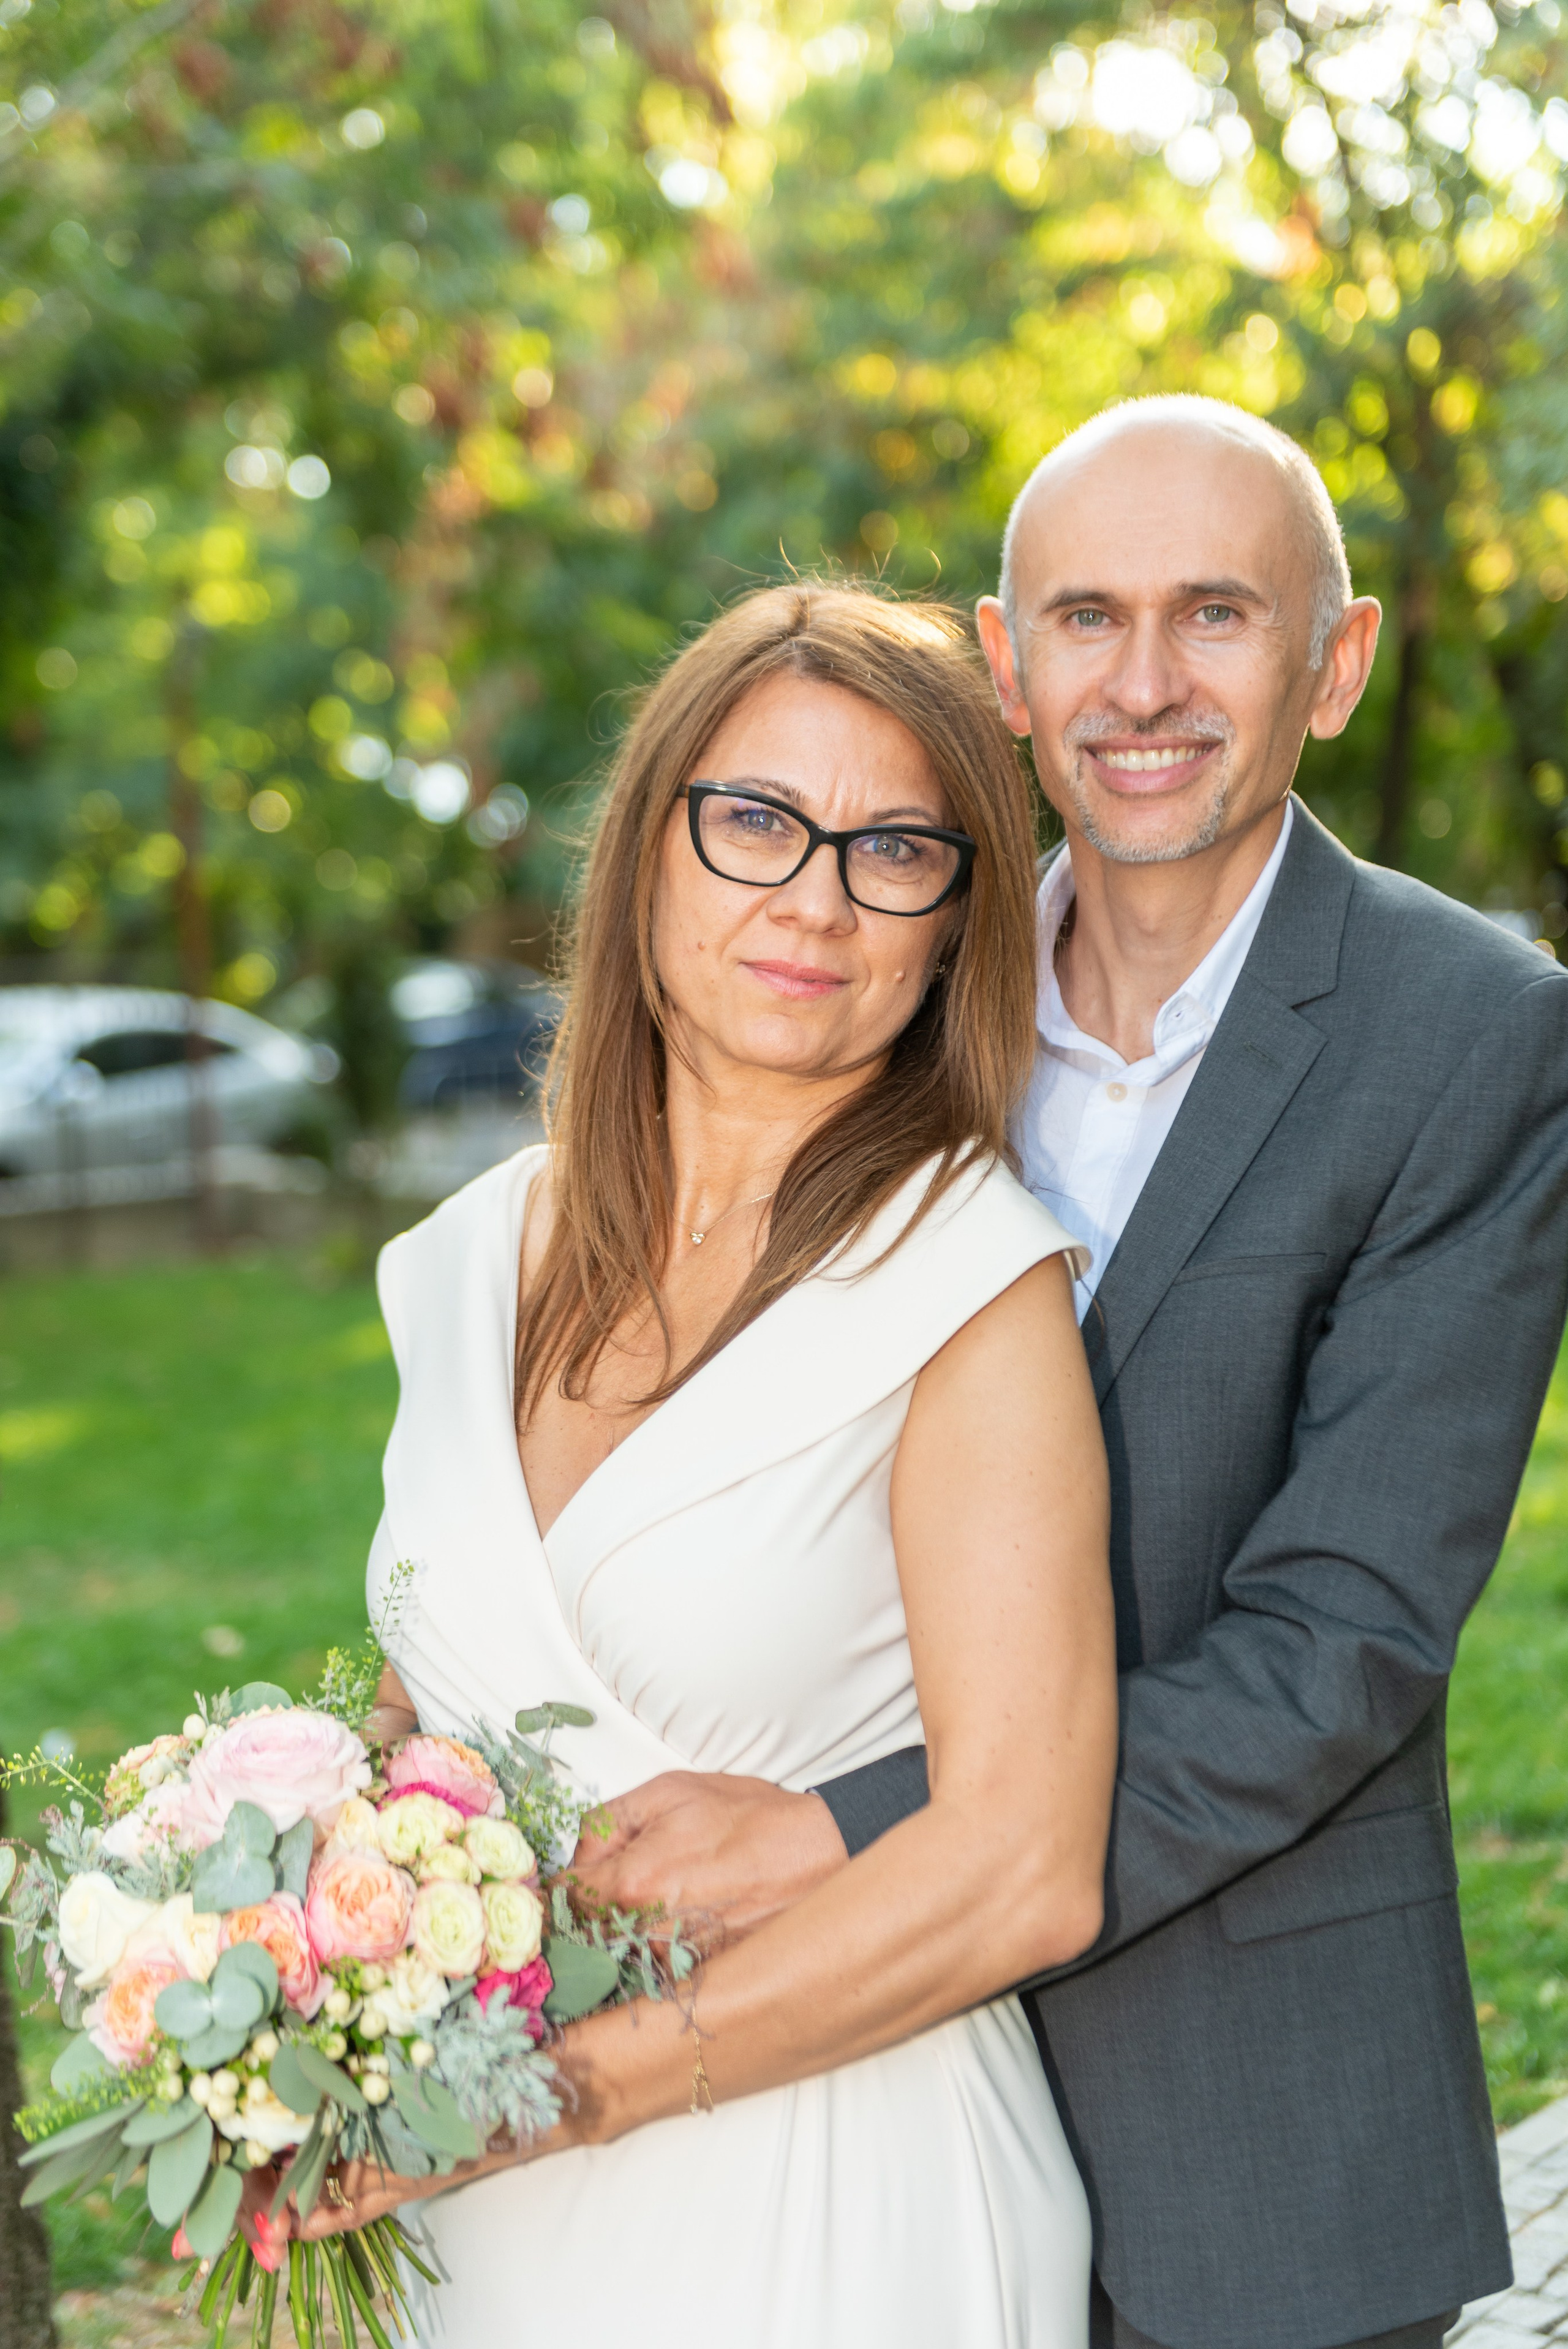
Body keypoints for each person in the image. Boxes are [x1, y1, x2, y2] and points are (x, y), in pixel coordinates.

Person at [544, 399, 1568, 2349]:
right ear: (1007, 672)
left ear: (1334, 663)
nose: (1147, 684)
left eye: (1219, 617)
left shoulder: (1477, 1040)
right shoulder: (893, 1001)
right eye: (1087, 620)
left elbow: (1337, 1644)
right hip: (835, 2107)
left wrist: (847, 1829)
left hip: (1247, 2116)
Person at [271, 584, 1120, 2345]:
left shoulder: (973, 1285)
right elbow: (446, 1718)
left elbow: (1021, 1862)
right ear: (648, 847)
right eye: (755, 821)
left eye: (895, 849)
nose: (814, 896)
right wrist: (274, 1914)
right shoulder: (470, 1258)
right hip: (484, 2216)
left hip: (830, 2206)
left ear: (957, 919)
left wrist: (564, 2093)